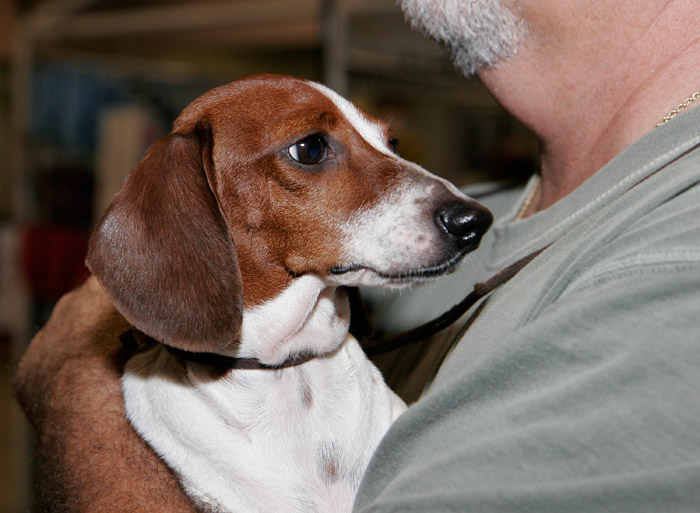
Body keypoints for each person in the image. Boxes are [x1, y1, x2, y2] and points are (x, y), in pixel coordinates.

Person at [14, 0, 700, 511]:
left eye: (385, 148)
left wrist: (77, 385)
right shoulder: (476, 217)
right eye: (313, 150)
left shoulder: (672, 258)